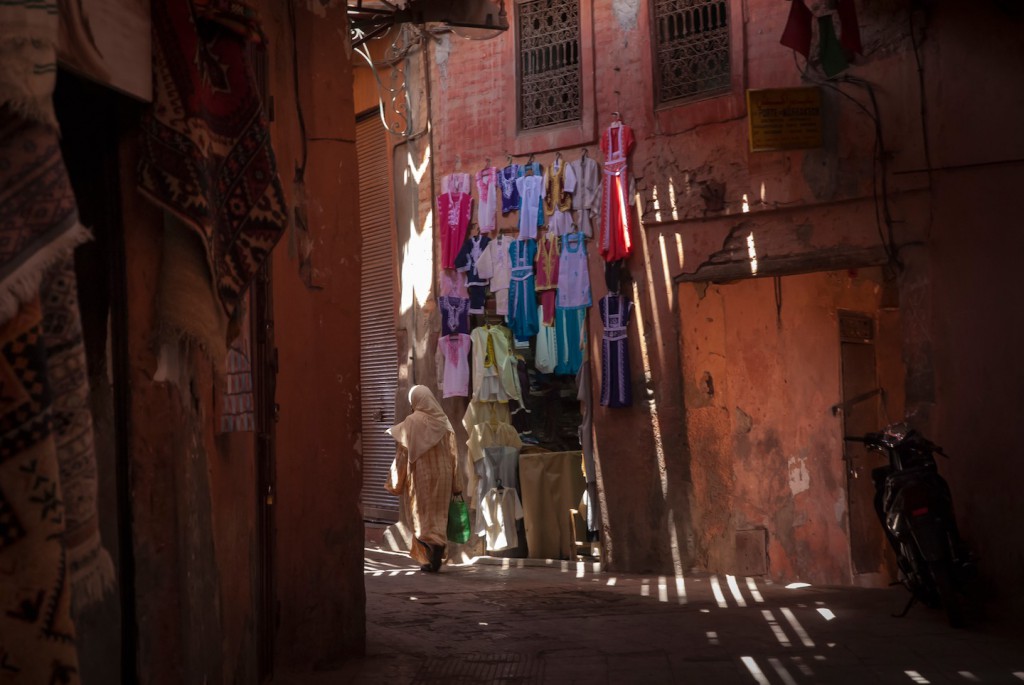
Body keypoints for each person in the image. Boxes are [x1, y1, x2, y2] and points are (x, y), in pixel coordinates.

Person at [385, 385, 463, 572]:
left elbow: (402, 455)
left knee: (419, 515)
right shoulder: (444, 421)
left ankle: (433, 547)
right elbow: (454, 454)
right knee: (438, 514)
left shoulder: (411, 422)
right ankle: (435, 548)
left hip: (421, 476)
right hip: (443, 475)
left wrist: (395, 482)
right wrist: (456, 482)